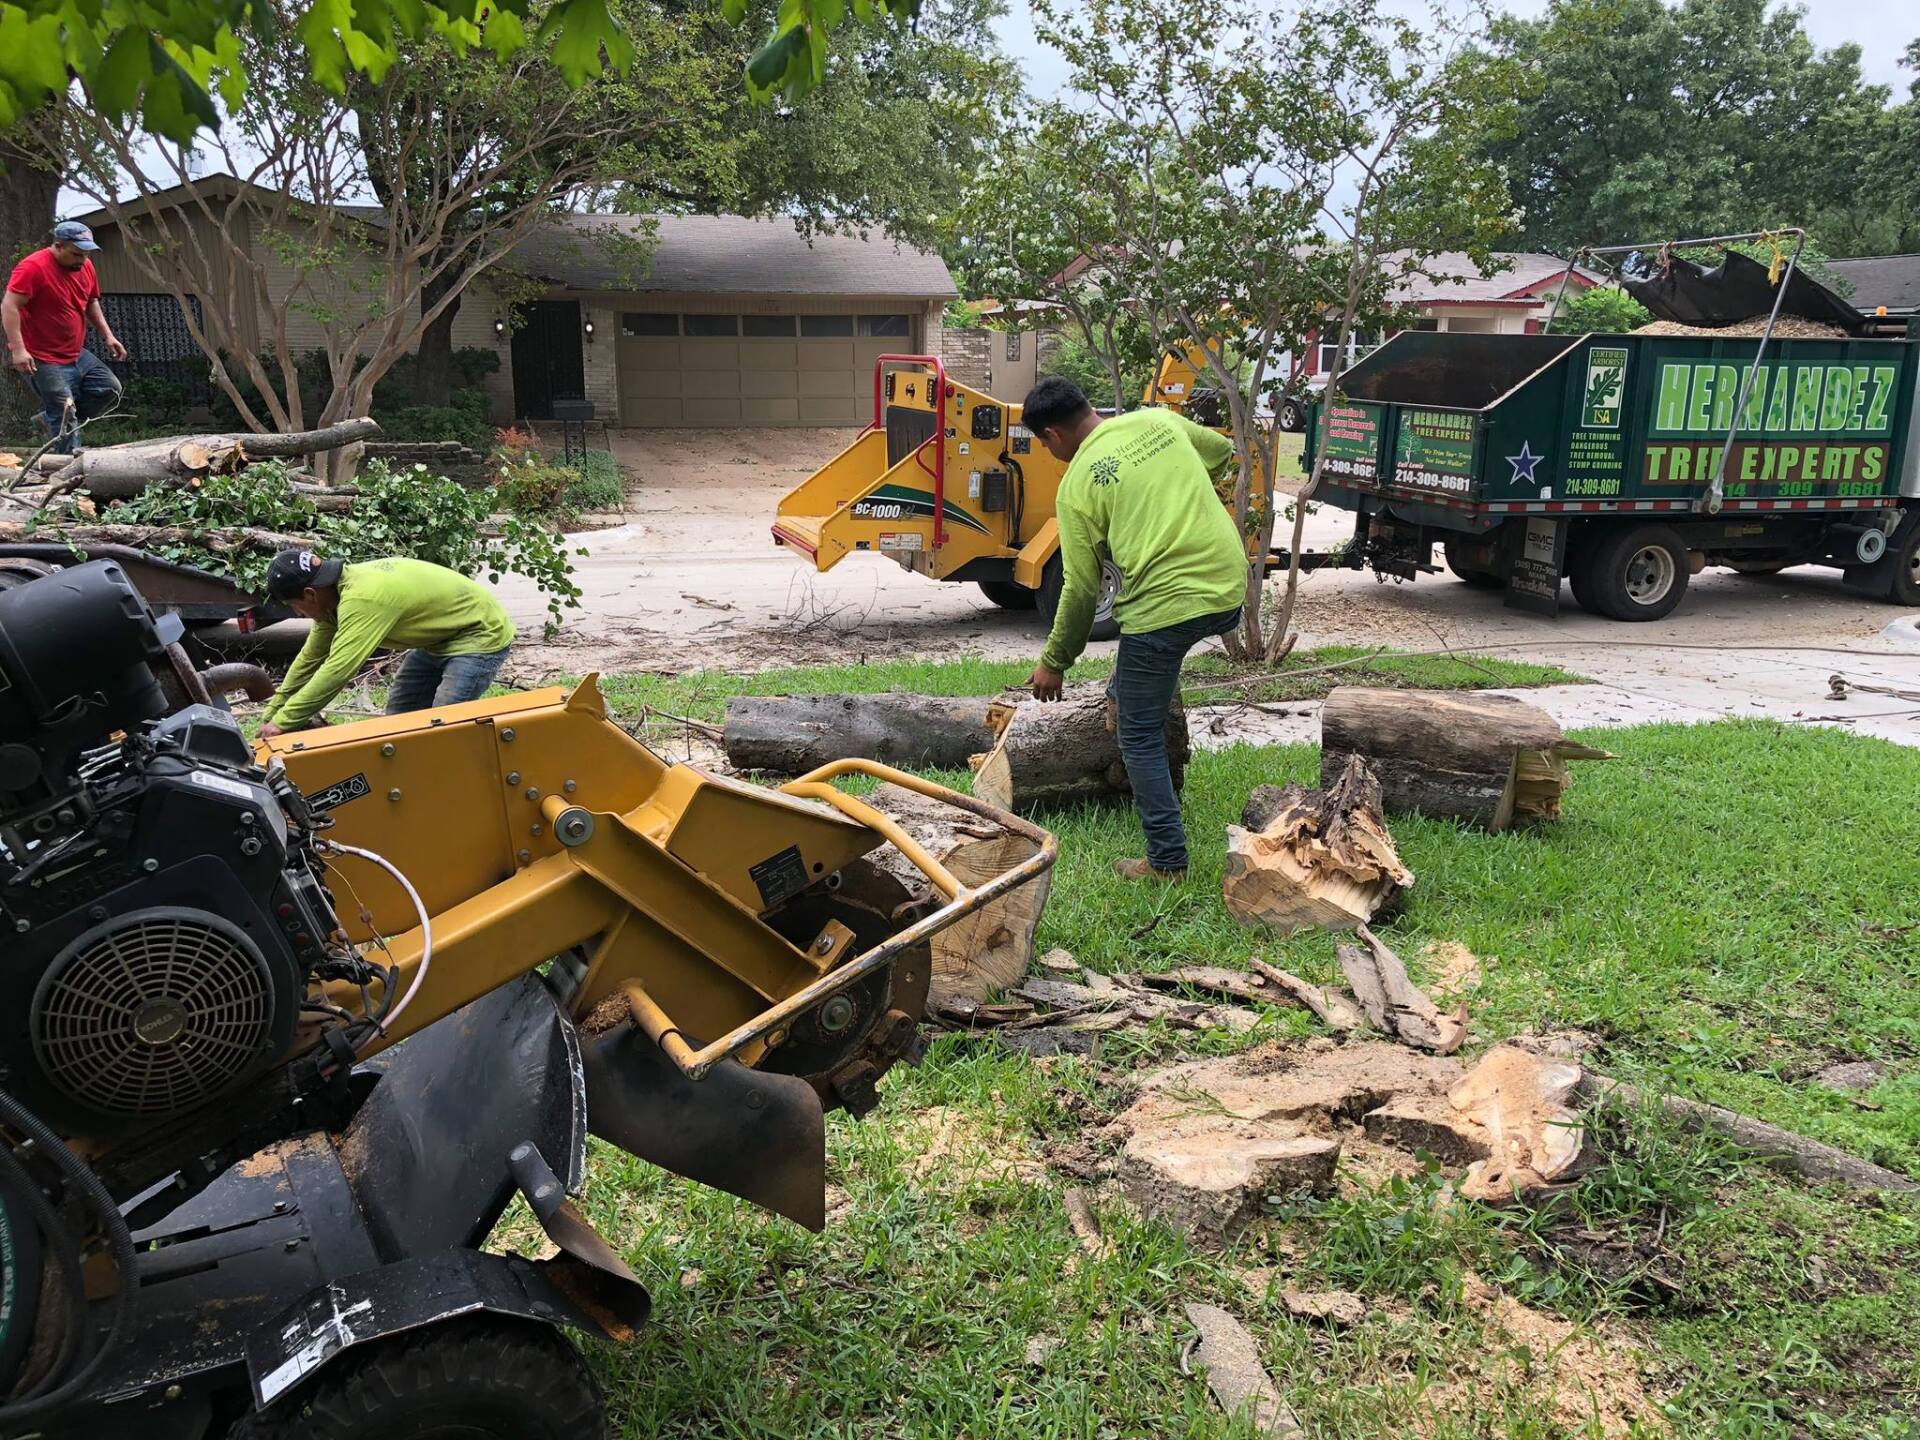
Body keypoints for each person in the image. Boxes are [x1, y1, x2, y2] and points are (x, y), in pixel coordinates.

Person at [1022, 376, 1247, 882]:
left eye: (1042, 443)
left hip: (1167, 608)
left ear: (1053, 435)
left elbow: (1081, 588)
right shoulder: (1157, 420)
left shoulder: (1077, 486)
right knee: (1143, 667)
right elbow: (1222, 453)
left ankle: (1166, 862)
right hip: (1229, 589)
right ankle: (1120, 691)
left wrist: (1054, 662)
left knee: (1138, 735)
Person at [256, 551, 516, 739]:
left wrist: (285, 722)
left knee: (443, 726)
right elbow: (309, 662)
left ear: (310, 594)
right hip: (437, 641)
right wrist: (272, 714)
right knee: (397, 723)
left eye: (295, 606)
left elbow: (338, 671)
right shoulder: (330, 604)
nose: (299, 613)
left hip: (478, 634)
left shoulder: (363, 599)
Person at [3, 221, 126, 455]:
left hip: (75, 351)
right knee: (64, 414)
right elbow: (9, 305)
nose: (82, 259)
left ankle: (49, 418)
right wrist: (18, 349)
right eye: (77, 254)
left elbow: (91, 302)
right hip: (42, 355)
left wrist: (108, 336)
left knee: (109, 388)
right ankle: (67, 472)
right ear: (58, 246)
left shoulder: (85, 266)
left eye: (86, 253)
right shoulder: (32, 268)